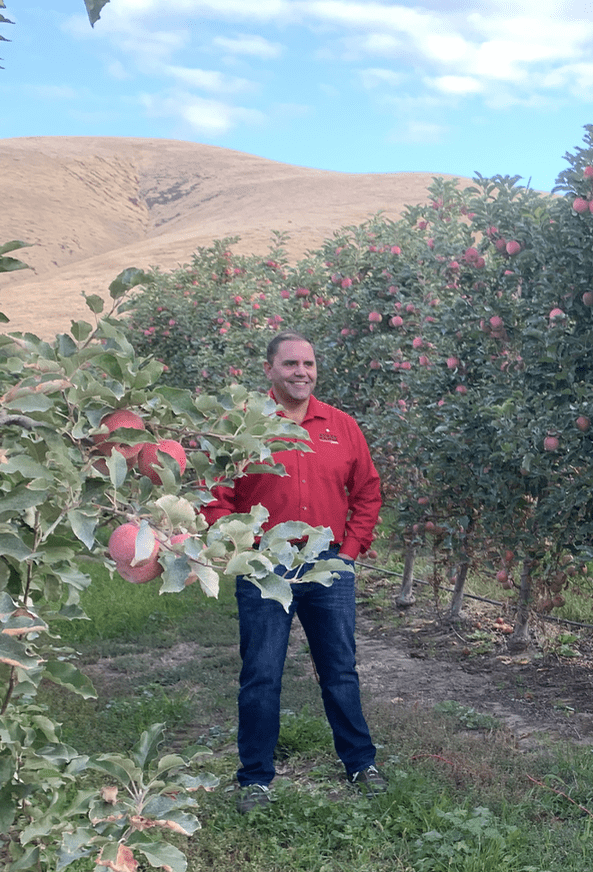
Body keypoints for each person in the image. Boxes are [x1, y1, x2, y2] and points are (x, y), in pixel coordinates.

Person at [202, 330, 386, 813]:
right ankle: (255, 780)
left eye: (308, 363)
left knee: (340, 671)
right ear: (269, 370)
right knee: (261, 674)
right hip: (266, 568)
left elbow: (367, 491)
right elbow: (216, 494)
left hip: (327, 566)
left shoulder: (342, 426)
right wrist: (242, 547)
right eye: (290, 364)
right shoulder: (243, 428)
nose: (301, 372)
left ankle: (360, 764)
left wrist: (348, 552)